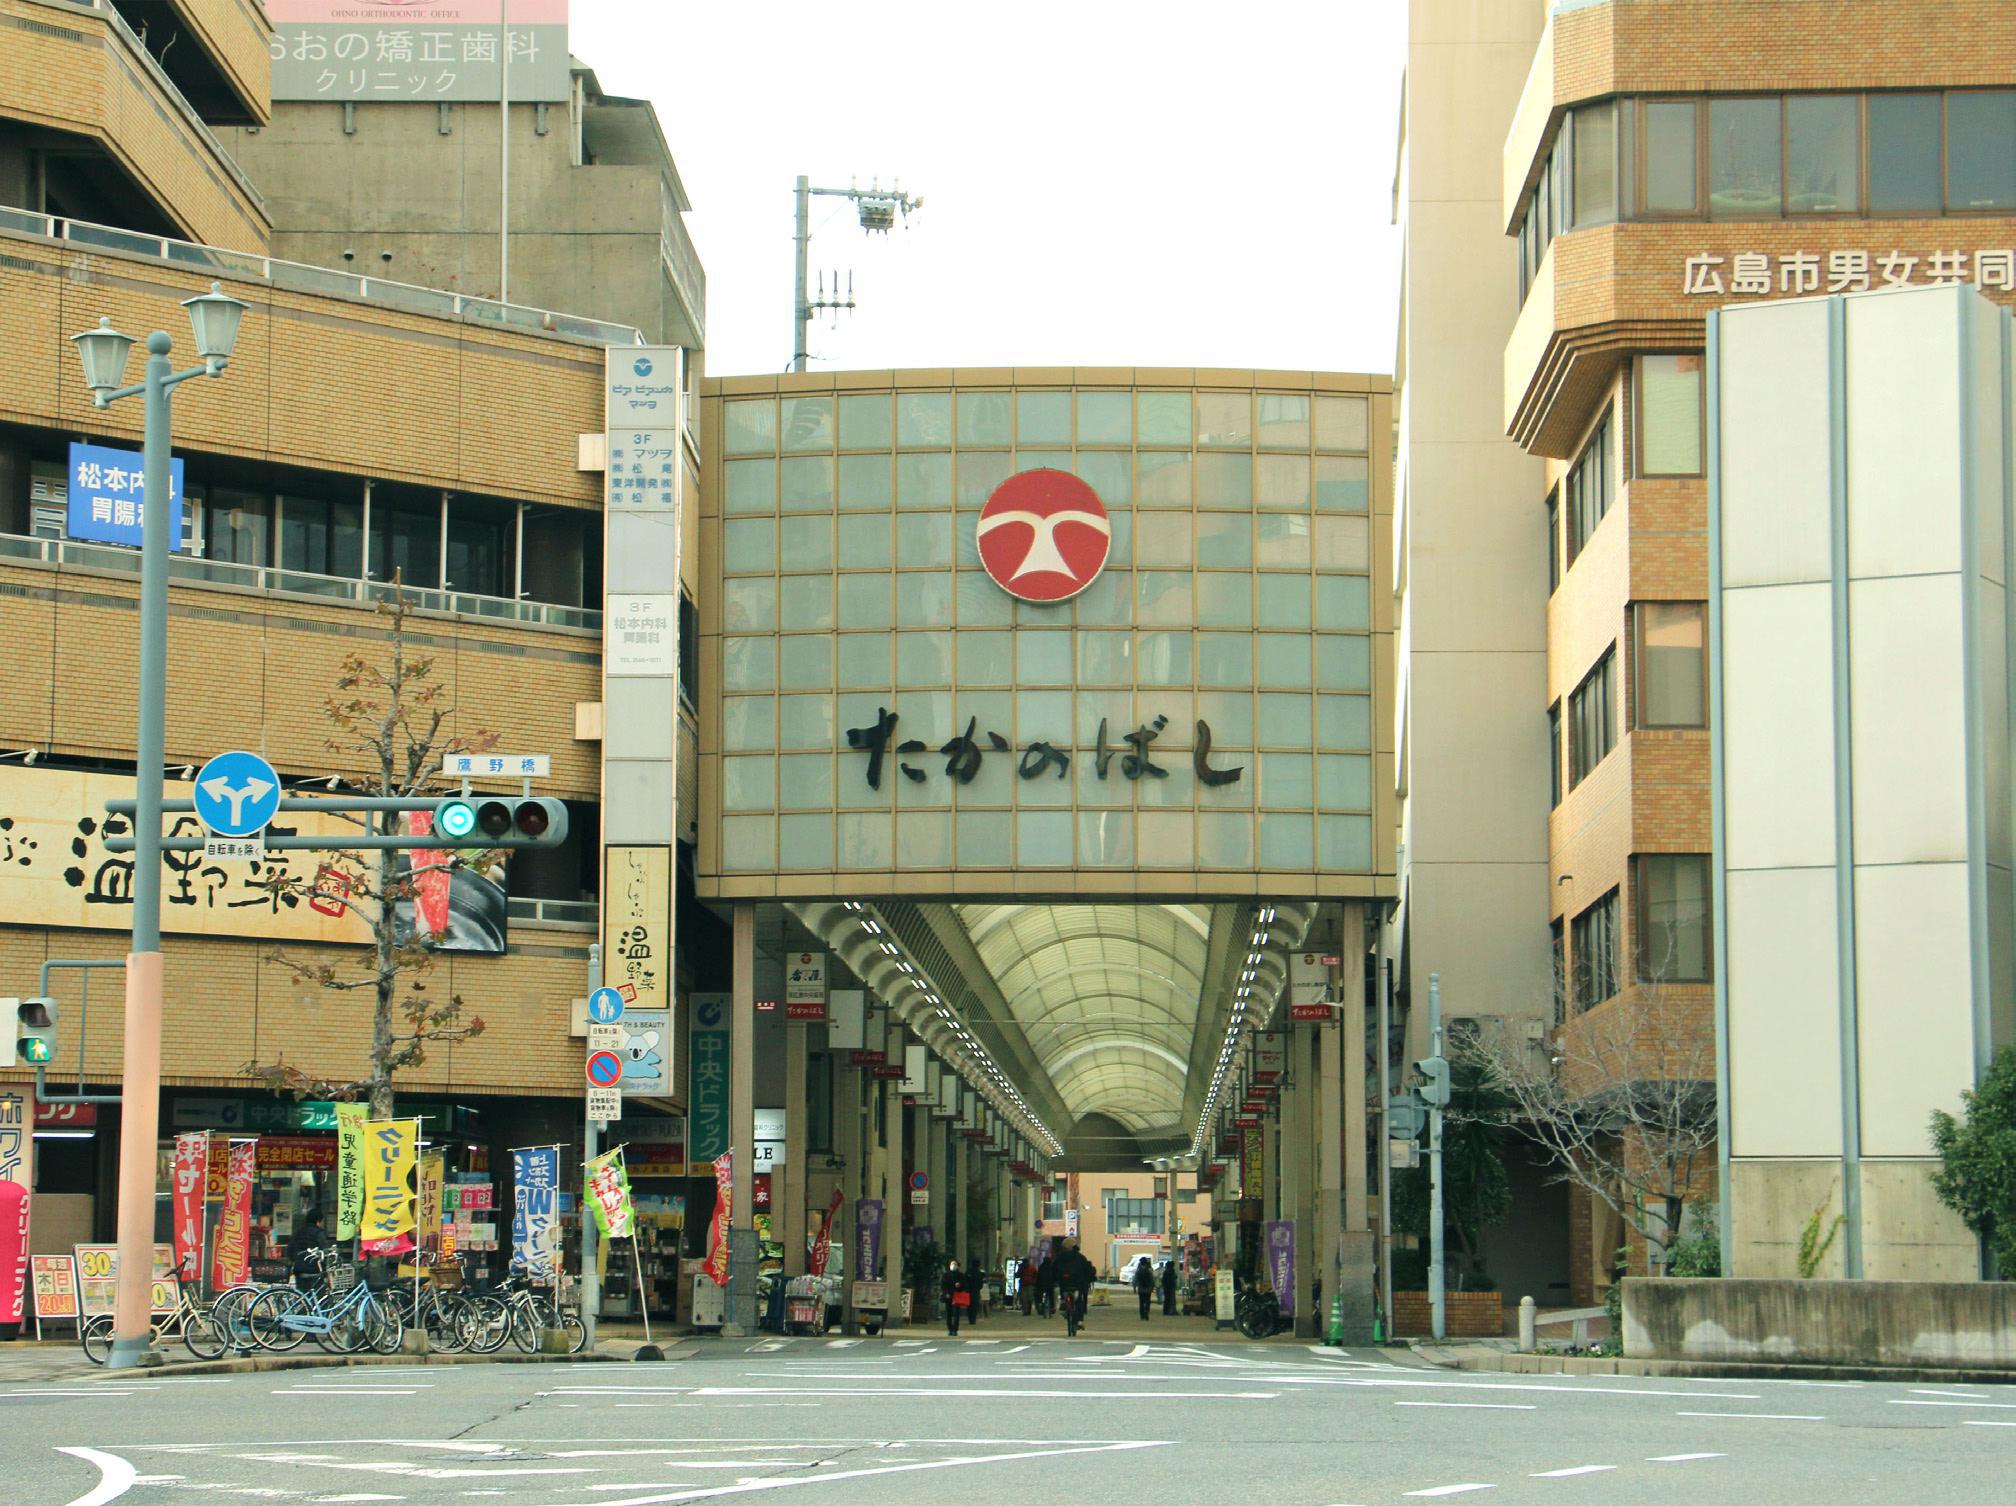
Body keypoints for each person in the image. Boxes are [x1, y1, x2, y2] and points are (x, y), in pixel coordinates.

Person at [1055, 1240, 1096, 1334]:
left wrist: (1055, 1279)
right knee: (1078, 1302)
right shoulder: (1081, 1258)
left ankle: (1063, 1305)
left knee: (1063, 1294)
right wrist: (1088, 1280)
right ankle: (1080, 1321)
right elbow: (1087, 1271)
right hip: (1077, 1284)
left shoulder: (1060, 1257)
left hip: (1064, 1283)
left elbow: (1054, 1269)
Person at [289, 1205, 335, 1287]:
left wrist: (297, 1260)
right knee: (317, 1297)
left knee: (303, 1296)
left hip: (299, 1270)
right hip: (315, 1270)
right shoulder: (319, 1233)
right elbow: (324, 1253)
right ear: (318, 1221)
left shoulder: (299, 1232)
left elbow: (290, 1250)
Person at [942, 1260, 970, 1336]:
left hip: (957, 1296)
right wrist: (946, 1293)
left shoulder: (961, 1275)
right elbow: (943, 1286)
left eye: (955, 1264)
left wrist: (959, 1285)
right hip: (948, 1296)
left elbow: (965, 1285)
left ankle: (955, 1330)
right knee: (948, 1314)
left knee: (956, 1313)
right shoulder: (946, 1275)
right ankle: (950, 1329)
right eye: (952, 1264)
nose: (953, 1265)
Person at [1132, 1254, 1155, 1320]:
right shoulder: (1149, 1270)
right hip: (1148, 1289)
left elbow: (1135, 1280)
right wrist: (1152, 1288)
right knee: (1147, 1301)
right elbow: (1152, 1280)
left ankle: (1142, 1315)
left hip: (1141, 1289)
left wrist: (1134, 1289)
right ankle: (1146, 1312)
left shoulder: (1138, 1271)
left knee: (1141, 1302)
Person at [1035, 1252, 1057, 1318]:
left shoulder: (1041, 1267)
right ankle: (1052, 1308)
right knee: (1051, 1297)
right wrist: (1056, 1282)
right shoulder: (1052, 1266)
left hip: (1042, 1285)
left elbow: (1038, 1276)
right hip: (1050, 1285)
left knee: (1040, 1296)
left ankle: (1041, 1306)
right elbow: (1055, 1276)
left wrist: (1037, 1284)